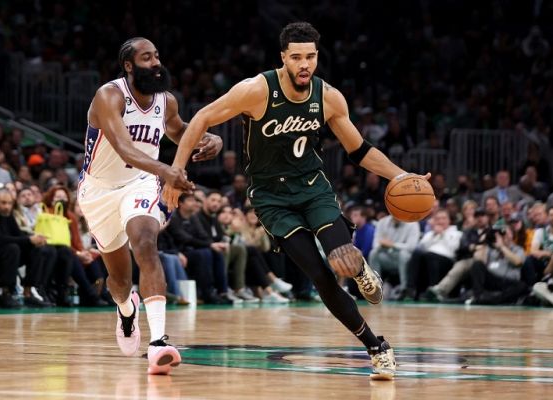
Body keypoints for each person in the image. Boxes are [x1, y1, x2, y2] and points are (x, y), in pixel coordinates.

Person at [164, 22, 430, 380]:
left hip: (313, 188)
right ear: (283, 58)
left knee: (342, 257)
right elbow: (201, 118)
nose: (304, 64)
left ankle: (361, 269)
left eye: (310, 57)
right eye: (296, 57)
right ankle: (376, 346)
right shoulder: (256, 90)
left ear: (317, 57)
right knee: (321, 277)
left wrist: (400, 176)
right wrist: (176, 172)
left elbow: (360, 151)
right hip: (271, 198)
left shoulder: (329, 97)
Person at [77, 37, 222, 375]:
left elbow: (179, 131)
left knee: (145, 243)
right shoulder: (109, 96)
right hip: (99, 192)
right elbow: (126, 149)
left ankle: (159, 341)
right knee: (119, 280)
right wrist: (169, 171)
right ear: (129, 65)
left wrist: (207, 138)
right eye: (146, 58)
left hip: (140, 184)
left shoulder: (166, 101)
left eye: (157, 55)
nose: (156, 62)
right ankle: (126, 309)